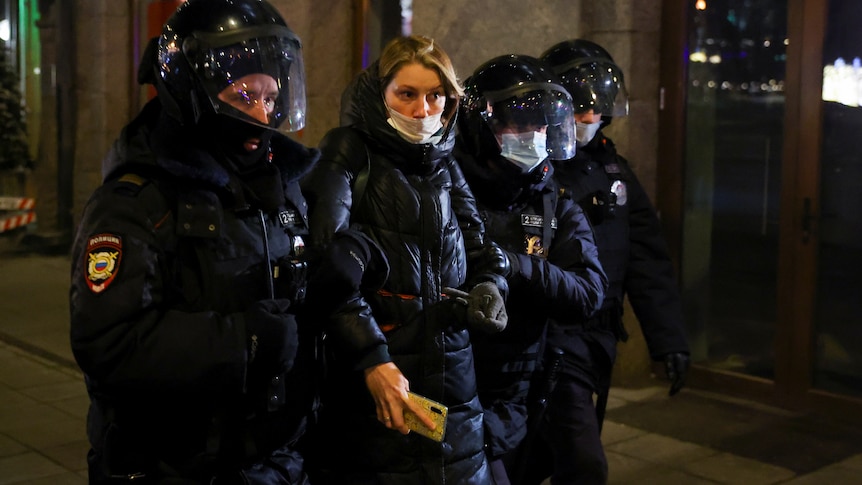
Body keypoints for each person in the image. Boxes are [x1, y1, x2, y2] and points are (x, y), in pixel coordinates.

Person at [69, 0, 332, 482]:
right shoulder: (138, 200)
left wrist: (332, 274)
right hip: (177, 465)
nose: (261, 114)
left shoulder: (279, 183)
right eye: (242, 96)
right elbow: (109, 343)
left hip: (276, 460)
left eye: (270, 98)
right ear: (193, 94)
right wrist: (242, 341)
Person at [300, 35, 508, 484]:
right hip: (374, 379)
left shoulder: (444, 162)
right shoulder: (349, 151)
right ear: (381, 94)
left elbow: (479, 245)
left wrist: (492, 285)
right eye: (407, 94)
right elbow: (325, 266)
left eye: (436, 96)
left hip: (453, 380)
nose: (423, 111)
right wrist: (371, 358)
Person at [514, 39, 692, 484]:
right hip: (549, 339)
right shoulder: (529, 169)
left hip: (599, 339)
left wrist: (668, 339)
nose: (590, 119)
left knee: (539, 458)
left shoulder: (616, 172)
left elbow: (647, 259)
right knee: (583, 463)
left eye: (597, 108)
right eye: (579, 109)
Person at [453, 54, 608, 485]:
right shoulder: (448, 188)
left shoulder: (554, 201)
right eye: (520, 126)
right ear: (484, 128)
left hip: (519, 387)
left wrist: (519, 267)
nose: (534, 137)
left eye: (542, 127)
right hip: (453, 383)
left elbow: (588, 291)